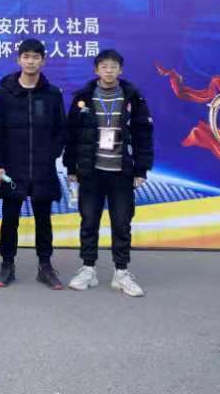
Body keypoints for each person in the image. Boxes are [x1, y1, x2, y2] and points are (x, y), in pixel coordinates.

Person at [64, 49, 153, 297]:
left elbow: (143, 134)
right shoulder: (83, 97)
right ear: (96, 70)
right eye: (104, 66)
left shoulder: (133, 97)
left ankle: (121, 272)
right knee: (89, 221)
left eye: (114, 66)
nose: (109, 70)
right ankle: (88, 269)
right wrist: (71, 167)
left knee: (122, 223)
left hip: (121, 172)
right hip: (91, 171)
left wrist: (141, 169)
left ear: (120, 70)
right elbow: (71, 134)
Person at [0, 38, 66, 290]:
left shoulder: (52, 94)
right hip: (13, 167)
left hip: (43, 167)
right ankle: (7, 265)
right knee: (9, 219)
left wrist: (51, 154)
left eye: (35, 57)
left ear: (43, 61)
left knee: (43, 219)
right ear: (18, 60)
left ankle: (45, 266)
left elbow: (61, 130)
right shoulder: (6, 93)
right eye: (26, 56)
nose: (30, 61)